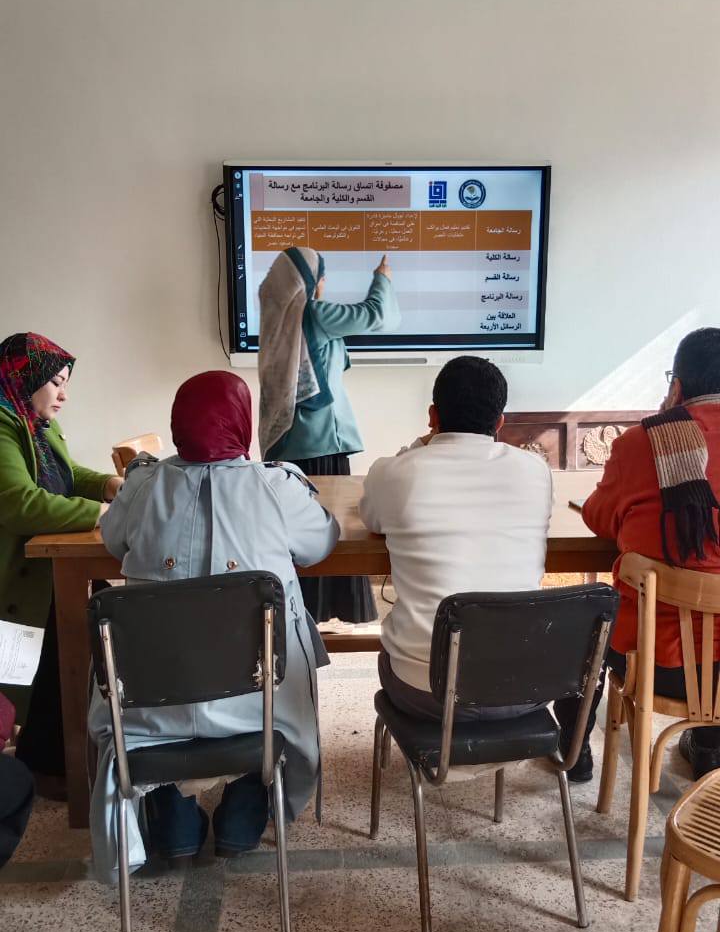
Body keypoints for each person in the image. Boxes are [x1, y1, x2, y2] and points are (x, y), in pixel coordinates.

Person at [88, 370, 340, 883]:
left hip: (153, 707)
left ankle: (174, 823)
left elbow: (113, 541)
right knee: (268, 692)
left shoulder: (142, 485)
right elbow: (320, 543)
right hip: (259, 703)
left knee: (150, 697)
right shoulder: (277, 487)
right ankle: (243, 818)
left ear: (178, 424)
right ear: (244, 423)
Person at [358, 355, 553, 719]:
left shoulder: (395, 473)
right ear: (499, 422)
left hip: (428, 692)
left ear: (432, 415)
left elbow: (371, 518)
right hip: (525, 687)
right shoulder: (535, 470)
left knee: (392, 654)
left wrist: (419, 445)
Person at [575, 327, 720, 781]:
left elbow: (599, 517)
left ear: (676, 386)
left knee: (587, 615)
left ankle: (573, 747)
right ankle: (710, 744)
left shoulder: (644, 442)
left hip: (658, 662)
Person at [0, 332, 122, 799]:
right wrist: (102, 514)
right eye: (56, 382)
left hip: (42, 566)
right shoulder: (3, 426)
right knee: (66, 636)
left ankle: (65, 750)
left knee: (97, 612)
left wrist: (107, 484)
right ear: (25, 379)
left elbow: (64, 476)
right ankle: (49, 765)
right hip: (16, 575)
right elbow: (21, 503)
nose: (64, 394)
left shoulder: (34, 421)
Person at [258, 246, 400, 626]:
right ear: (307, 280)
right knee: (332, 530)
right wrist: (382, 278)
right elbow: (377, 316)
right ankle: (326, 613)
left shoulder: (277, 314)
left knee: (298, 531)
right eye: (320, 275)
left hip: (290, 441)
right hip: (321, 442)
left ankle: (303, 613)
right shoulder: (315, 314)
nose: (324, 283)